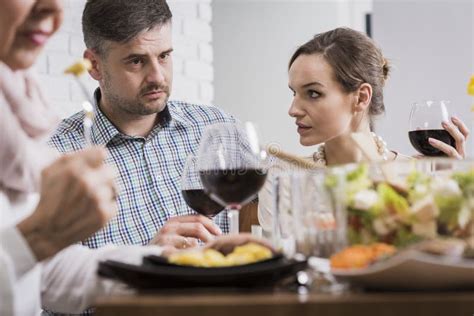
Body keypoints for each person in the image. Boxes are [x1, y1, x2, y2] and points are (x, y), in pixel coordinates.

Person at [49, 0, 235, 252]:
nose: (158, 77)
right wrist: (144, 257)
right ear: (94, 65)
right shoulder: (56, 159)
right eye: (136, 61)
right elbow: (54, 280)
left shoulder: (216, 126)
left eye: (164, 56)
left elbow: (258, 217)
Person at [258, 27, 470, 233]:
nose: (293, 110)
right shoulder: (284, 179)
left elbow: (444, 254)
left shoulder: (419, 177)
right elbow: (280, 261)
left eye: (313, 93)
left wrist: (455, 193)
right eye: (293, 93)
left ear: (361, 98)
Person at [0, 0, 119, 315]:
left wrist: (174, 265)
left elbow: (48, 273)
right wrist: (37, 239)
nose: (54, 10)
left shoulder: (15, 124)